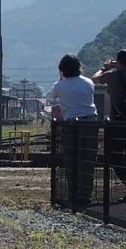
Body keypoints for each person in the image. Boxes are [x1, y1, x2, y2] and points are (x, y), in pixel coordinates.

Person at [92, 49, 126, 201]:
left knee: (114, 156)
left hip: (117, 121)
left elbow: (94, 79)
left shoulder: (111, 76)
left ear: (118, 61)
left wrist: (105, 67)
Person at [50, 53, 98, 206]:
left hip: (71, 124)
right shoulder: (89, 82)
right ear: (79, 68)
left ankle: (73, 194)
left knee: (71, 159)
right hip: (91, 122)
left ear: (62, 70)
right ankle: (86, 194)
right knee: (87, 159)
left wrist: (61, 78)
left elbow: (54, 96)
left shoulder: (60, 85)